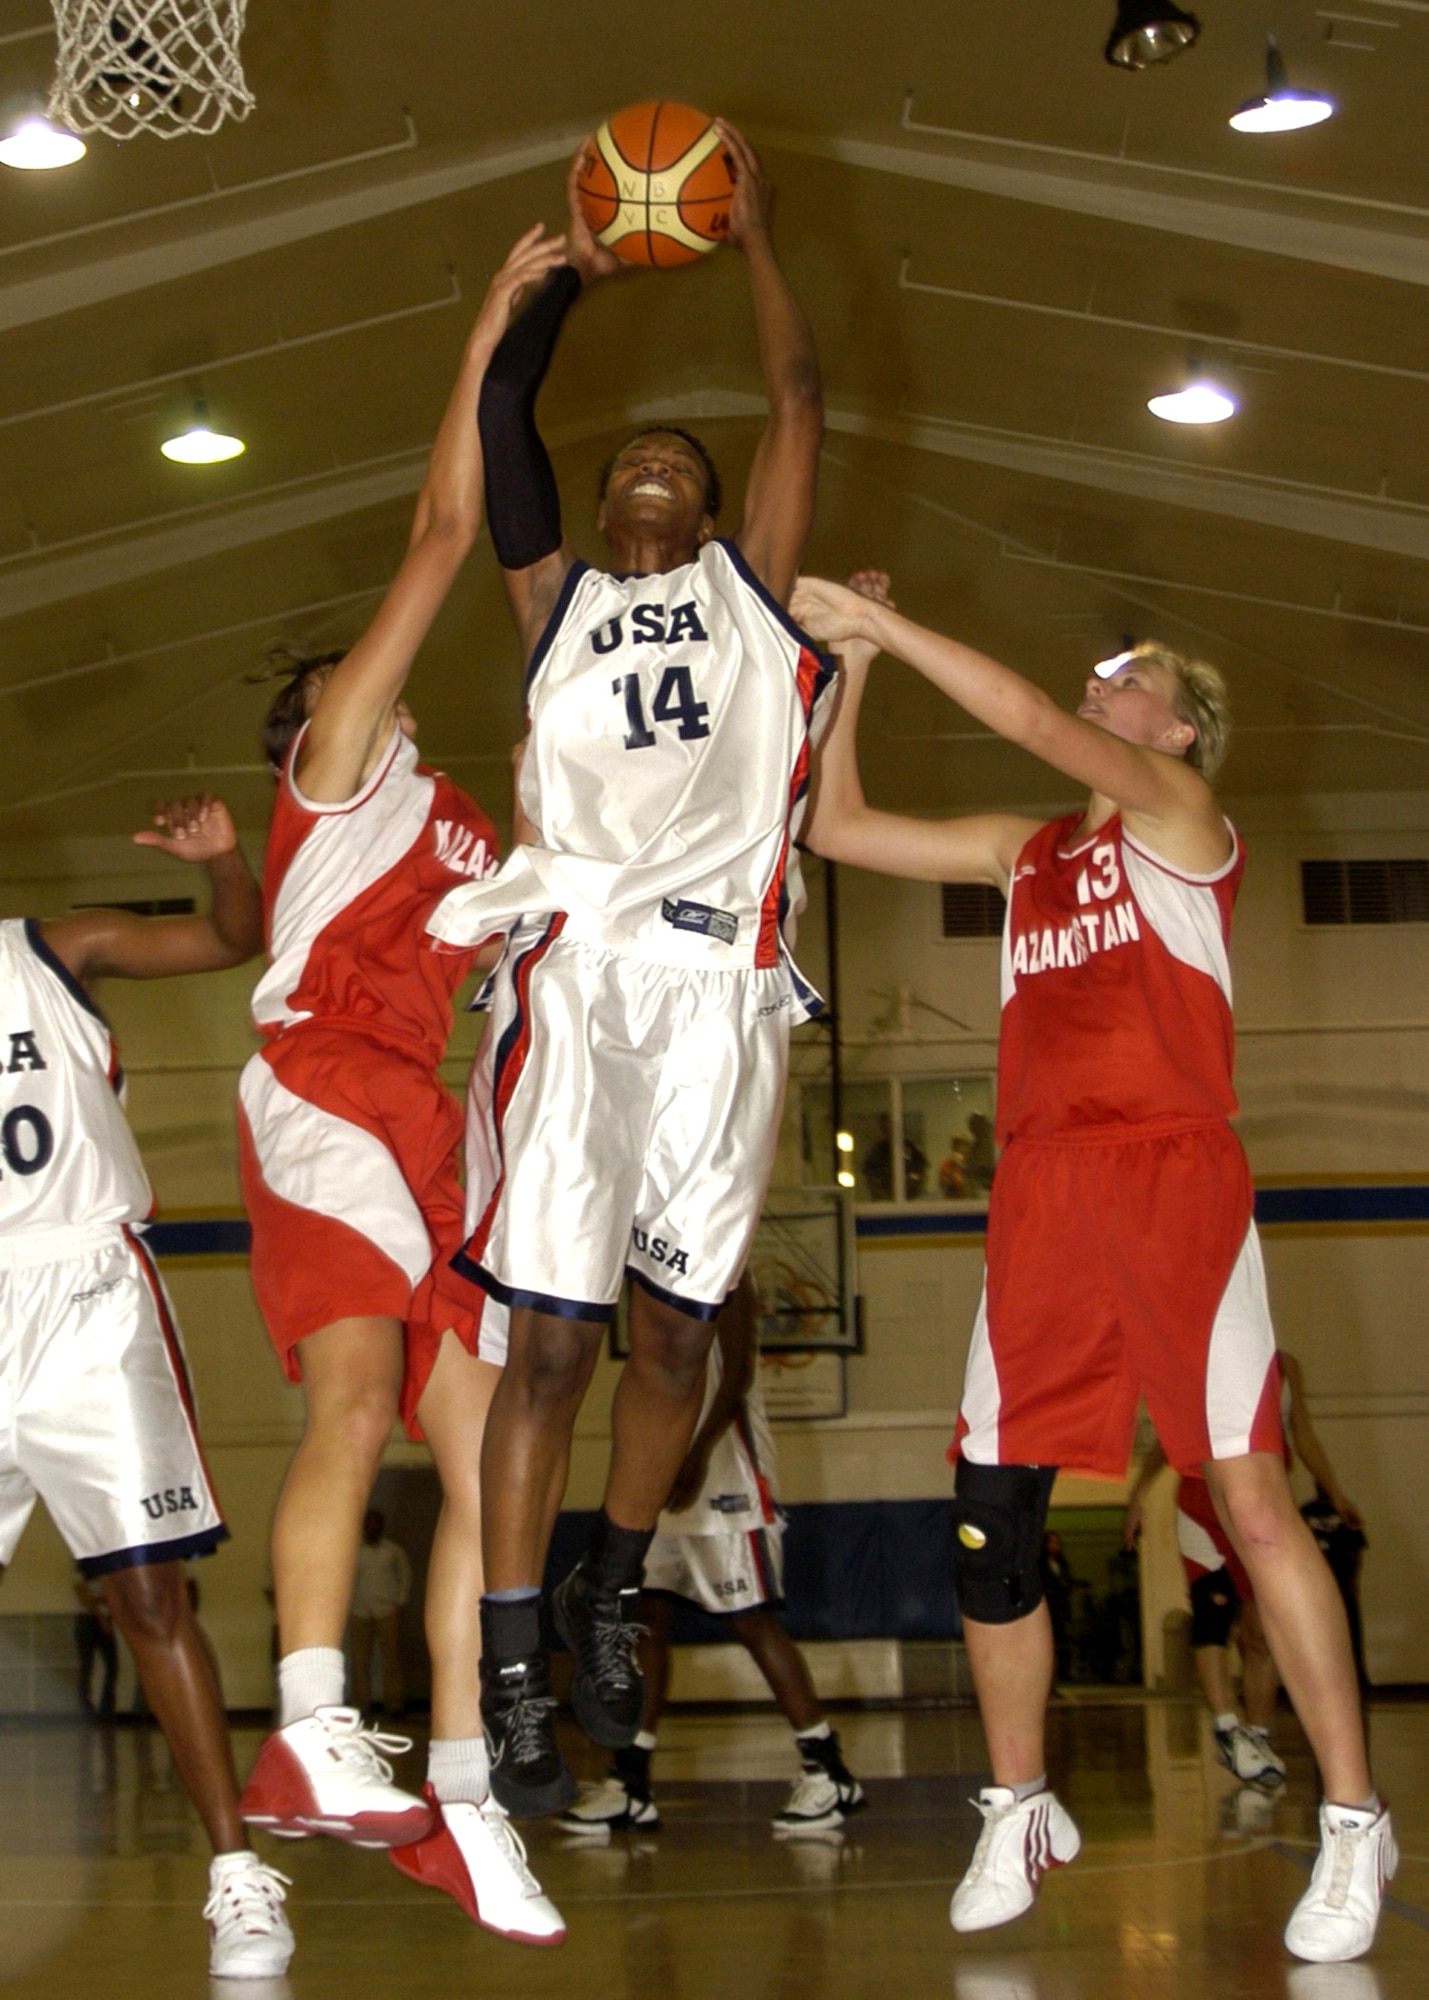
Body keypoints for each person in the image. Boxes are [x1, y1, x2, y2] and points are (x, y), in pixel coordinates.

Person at [795, 573, 1392, 1964]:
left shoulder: (1186, 825)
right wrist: (856, 673)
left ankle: (1355, 1817)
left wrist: (890, 630)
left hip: (1173, 1172)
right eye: (1104, 668)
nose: (1102, 680)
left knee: (1247, 1498)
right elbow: (836, 823)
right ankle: (1016, 1802)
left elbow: (1033, 723)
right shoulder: (1027, 853)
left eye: (1133, 677)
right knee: (987, 1512)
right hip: (1043, 1189)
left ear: (1176, 735)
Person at [424, 122, 828, 1819]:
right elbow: (503, 438)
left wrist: (742, 236)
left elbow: (798, 399)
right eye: (631, 460)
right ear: (601, 509)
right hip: (580, 988)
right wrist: (540, 305)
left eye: (678, 453)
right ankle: (512, 1655)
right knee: (551, 1351)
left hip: (722, 997)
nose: (650, 462)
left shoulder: (758, 598)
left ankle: (606, 1580)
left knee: (674, 1345)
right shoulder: (556, 605)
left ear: (715, 508)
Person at [235, 229, 568, 1947]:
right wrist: (487, 340)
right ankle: (302, 1727)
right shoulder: (343, 769)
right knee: (354, 1409)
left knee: (486, 1458)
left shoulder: (458, 828)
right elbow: (446, 534)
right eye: (331, 688)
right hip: (321, 1092)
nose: (363, 688)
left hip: (431, 1124)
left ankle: (455, 1786)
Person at [0, 792, 293, 1978]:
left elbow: (233, 939)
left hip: (80, 1293)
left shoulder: (48, 949)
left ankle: (235, 1874)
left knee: (149, 1596)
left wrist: (227, 864)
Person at [557, 1277, 864, 1837]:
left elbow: (737, 1374)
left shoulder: (731, 1269)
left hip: (723, 1472)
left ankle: (828, 1769)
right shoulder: (651, 1272)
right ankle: (630, 1783)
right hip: (666, 1471)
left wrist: (696, 1456)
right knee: (647, 1619)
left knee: (749, 1618)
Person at [1127, 1348, 1368, 1778]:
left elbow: (1303, 1435)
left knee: (1261, 1632)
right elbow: (1168, 1437)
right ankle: (1226, 1727)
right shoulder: (1199, 1355)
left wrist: (1335, 1494)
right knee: (1212, 1610)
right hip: (1203, 1500)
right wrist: (1139, 1495)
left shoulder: (1286, 1366)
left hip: (1261, 1503)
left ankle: (1255, 1734)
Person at [349, 1509, 412, 1719]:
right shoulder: (355, 1551)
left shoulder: (393, 1551)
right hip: (359, 1610)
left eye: (376, 1523)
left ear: (382, 1526)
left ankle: (394, 1704)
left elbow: (405, 1575)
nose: (372, 1527)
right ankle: (360, 1703)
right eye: (369, 1523)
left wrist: (399, 1601)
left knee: (390, 1660)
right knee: (359, 1660)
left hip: (387, 1610)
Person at [73, 1567, 119, 1721]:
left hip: (104, 1618)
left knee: (112, 1664)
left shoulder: (105, 1571)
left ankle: (106, 1708)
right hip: (87, 1620)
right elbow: (85, 1598)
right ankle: (85, 1707)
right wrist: (101, 1617)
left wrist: (98, 1599)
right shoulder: (80, 1571)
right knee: (86, 1665)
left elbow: (113, 1596)